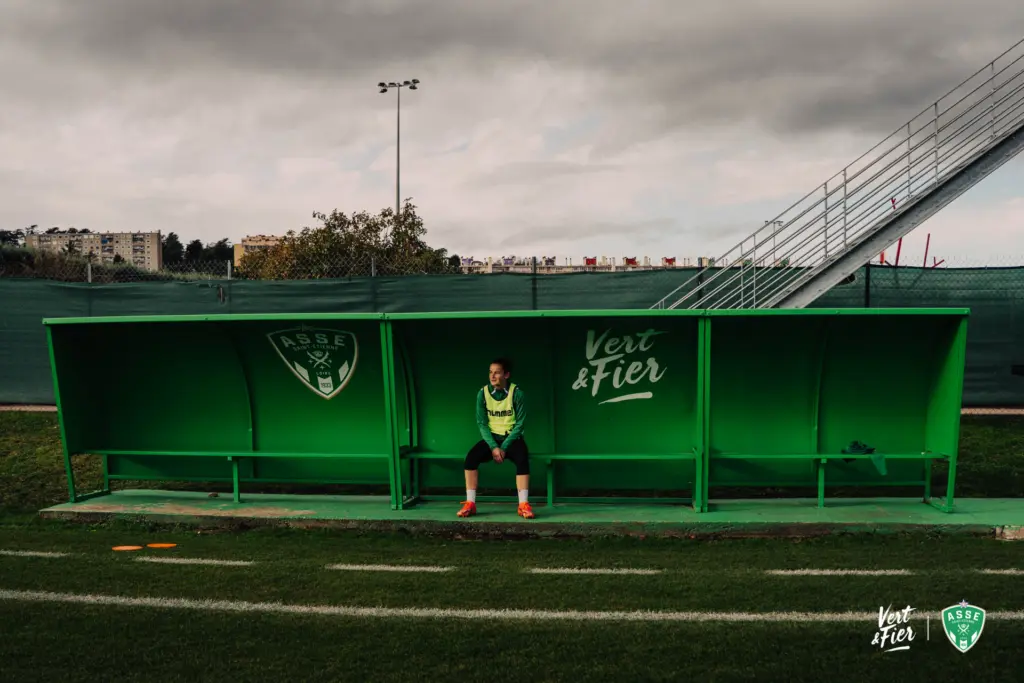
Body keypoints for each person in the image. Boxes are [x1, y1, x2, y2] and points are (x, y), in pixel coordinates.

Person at [457, 357, 533, 519]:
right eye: (490, 372)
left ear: (506, 375)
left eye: (497, 372)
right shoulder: (482, 393)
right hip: (492, 439)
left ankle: (523, 505)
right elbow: (481, 423)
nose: (492, 376)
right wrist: (493, 447)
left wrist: (504, 447)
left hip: (511, 439)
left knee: (522, 459)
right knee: (470, 459)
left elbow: (520, 424)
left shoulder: (517, 393)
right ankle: (470, 503)